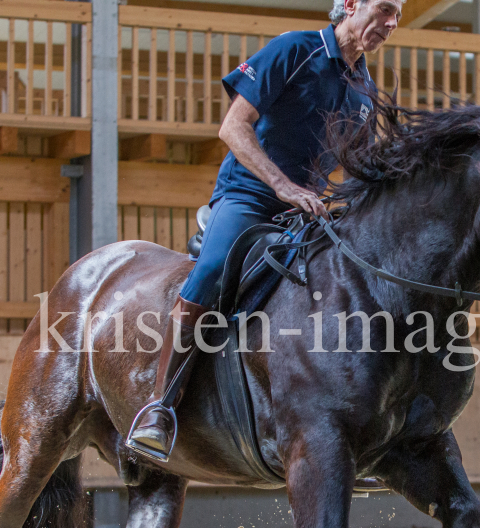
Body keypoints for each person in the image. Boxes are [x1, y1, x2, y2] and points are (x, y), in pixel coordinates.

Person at [126, 0, 402, 457]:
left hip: (307, 210)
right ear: (351, 5)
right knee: (212, 271)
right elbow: (233, 128)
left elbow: (363, 167)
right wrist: (284, 185)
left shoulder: (364, 86)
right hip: (249, 197)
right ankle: (161, 406)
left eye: (398, 17)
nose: (391, 23)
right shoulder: (294, 50)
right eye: (385, 9)